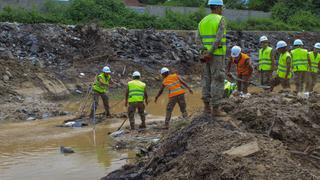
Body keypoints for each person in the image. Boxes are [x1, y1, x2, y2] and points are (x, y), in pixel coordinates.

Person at [198, 0, 227, 116]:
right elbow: (218, 38)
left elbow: (198, 39)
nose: (222, 10)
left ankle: (206, 108)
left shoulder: (202, 21)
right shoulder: (220, 19)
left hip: (205, 56)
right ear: (219, 7)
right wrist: (210, 53)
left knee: (206, 79)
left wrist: (204, 53)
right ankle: (216, 109)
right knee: (218, 79)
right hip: (217, 55)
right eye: (222, 7)